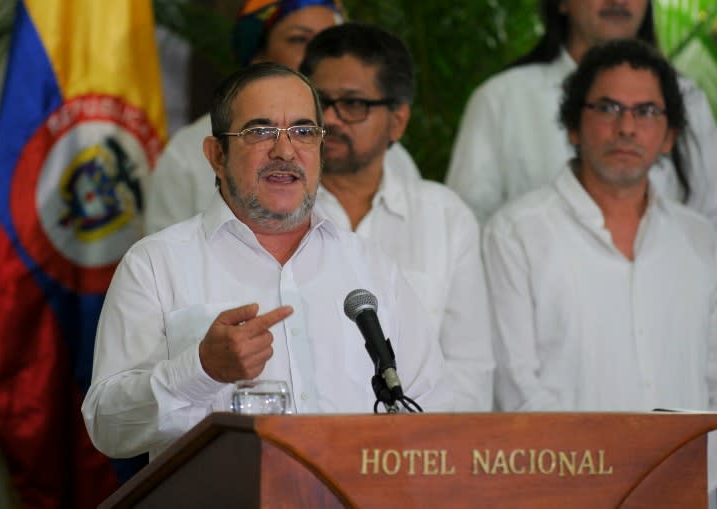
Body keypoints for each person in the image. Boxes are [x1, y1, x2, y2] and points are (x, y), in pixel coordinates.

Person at [81, 62, 453, 460]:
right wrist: (200, 369)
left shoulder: (371, 267)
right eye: (260, 132)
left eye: (304, 132)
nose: (285, 150)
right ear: (216, 156)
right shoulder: (156, 264)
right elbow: (107, 426)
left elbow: (433, 411)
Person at [483, 38, 717, 413]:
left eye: (646, 111)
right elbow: (514, 390)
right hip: (565, 469)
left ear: (669, 136)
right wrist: (605, 467)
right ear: (574, 125)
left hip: (689, 472)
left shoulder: (701, 241)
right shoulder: (516, 235)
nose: (626, 127)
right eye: (608, 108)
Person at [299, 23, 494, 411]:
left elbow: (469, 373)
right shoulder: (269, 214)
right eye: (320, 103)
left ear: (398, 120)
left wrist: (407, 452)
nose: (332, 120)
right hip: (299, 452)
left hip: (416, 455)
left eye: (353, 104)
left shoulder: (444, 218)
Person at [144, 0, 420, 234]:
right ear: (259, 54)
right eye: (300, 39)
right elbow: (167, 271)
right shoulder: (188, 153)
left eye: (329, 40)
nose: (318, 53)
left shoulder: (377, 151)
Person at [445, 0, 717, 227]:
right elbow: (465, 229)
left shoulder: (687, 100)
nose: (617, 0)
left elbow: (710, 222)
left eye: (645, 112)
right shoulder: (502, 98)